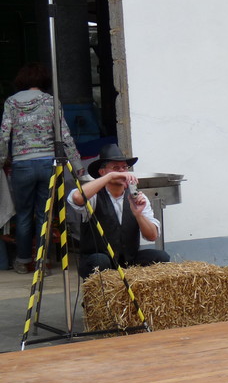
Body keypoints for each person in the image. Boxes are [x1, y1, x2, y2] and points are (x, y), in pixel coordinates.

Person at [0, 62, 83, 274]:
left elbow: (3, 135)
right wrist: (76, 163)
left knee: (24, 214)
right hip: (48, 164)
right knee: (45, 214)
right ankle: (42, 262)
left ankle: (22, 260)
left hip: (22, 165)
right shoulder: (50, 102)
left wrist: (2, 160)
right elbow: (64, 135)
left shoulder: (11, 102)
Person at [67, 143, 170, 279]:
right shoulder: (95, 195)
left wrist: (138, 215)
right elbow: (77, 197)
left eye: (124, 168)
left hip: (128, 260)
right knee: (100, 261)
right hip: (97, 261)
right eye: (115, 168)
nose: (121, 172)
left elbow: (152, 236)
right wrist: (109, 178)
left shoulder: (137, 197)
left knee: (161, 257)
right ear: (102, 172)